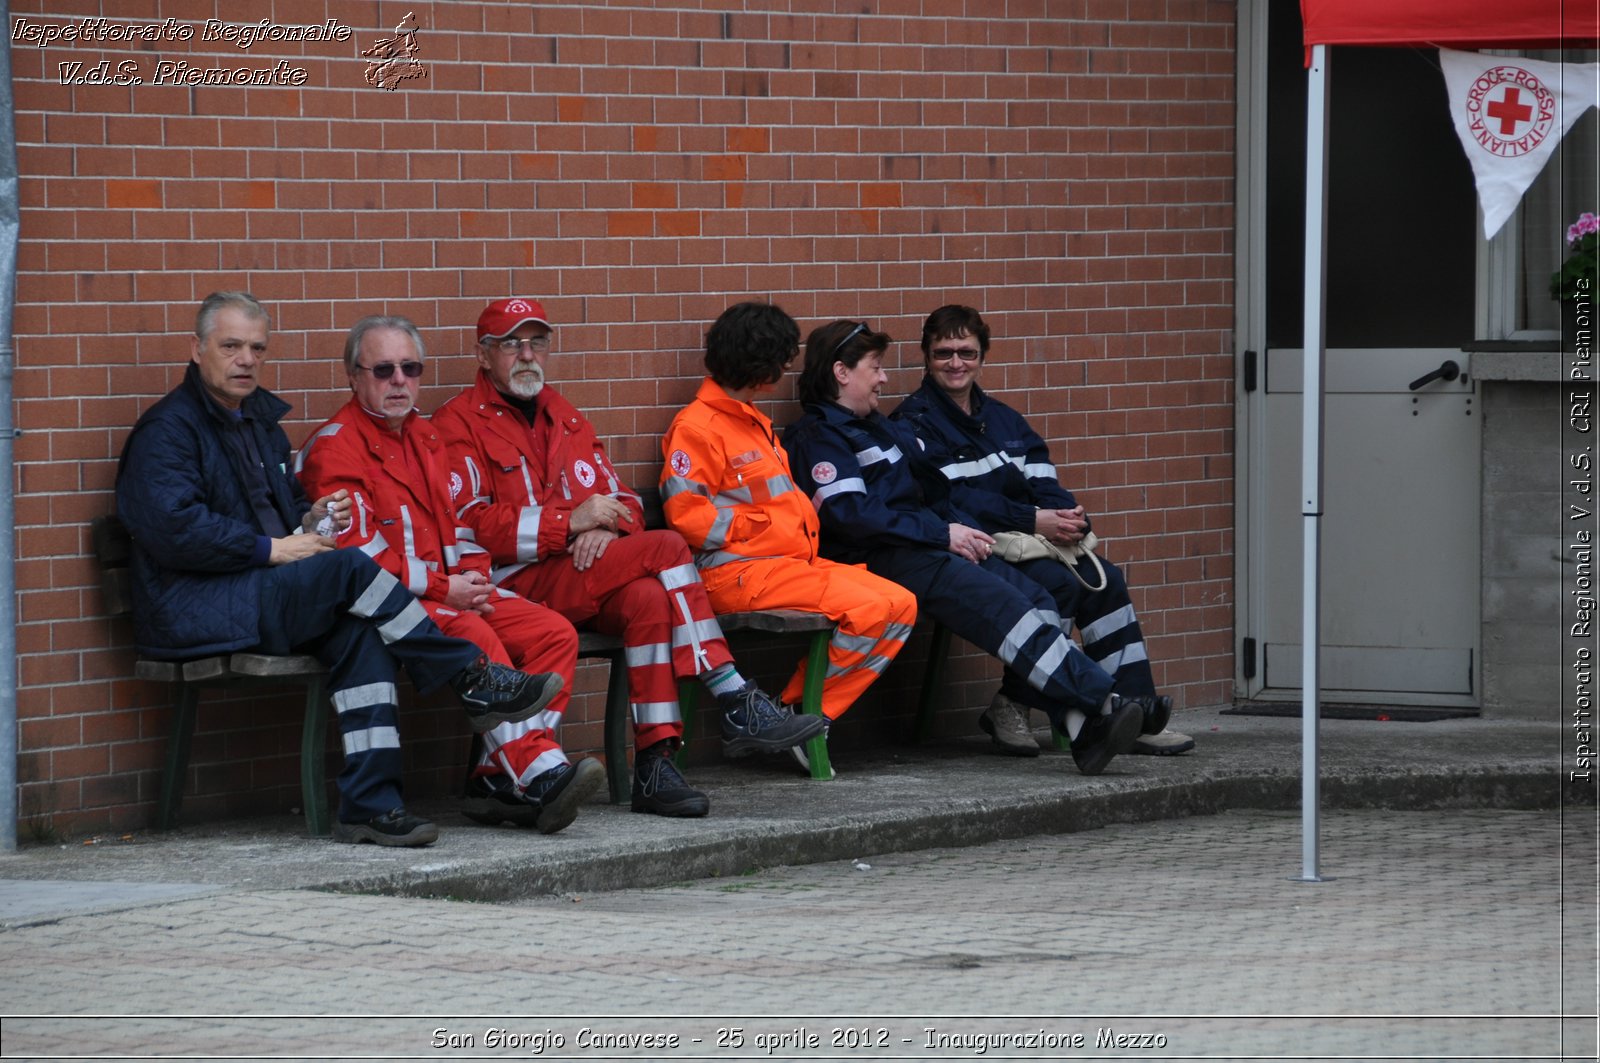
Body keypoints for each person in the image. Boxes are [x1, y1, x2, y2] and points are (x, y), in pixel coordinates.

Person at [115, 292, 565, 848]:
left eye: (256, 347)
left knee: (360, 633)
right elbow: (171, 528)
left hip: (260, 593)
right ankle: (469, 676)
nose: (246, 359)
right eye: (230, 346)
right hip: (193, 607)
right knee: (351, 569)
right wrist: (271, 549)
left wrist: (310, 521)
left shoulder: (261, 427)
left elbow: (285, 522)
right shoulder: (169, 430)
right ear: (197, 349)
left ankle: (371, 806)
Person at [431, 298, 823, 817]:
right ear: (484, 355)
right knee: (666, 546)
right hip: (511, 582)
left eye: (537, 342)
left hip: (579, 575)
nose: (527, 355)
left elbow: (626, 501)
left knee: (647, 599)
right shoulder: (457, 422)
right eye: (510, 343)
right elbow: (468, 521)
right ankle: (732, 694)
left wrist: (609, 526)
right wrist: (568, 524)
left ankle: (655, 765)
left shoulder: (564, 415)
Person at [783, 320, 1145, 775]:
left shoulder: (876, 426)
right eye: (875, 368)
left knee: (1037, 598)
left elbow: (934, 492)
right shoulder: (820, 436)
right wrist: (942, 535)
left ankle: (1083, 728)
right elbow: (852, 517)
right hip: (880, 559)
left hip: (926, 545)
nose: (883, 378)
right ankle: (1102, 700)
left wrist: (962, 531)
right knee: (1004, 608)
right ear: (841, 372)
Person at [296, 315, 602, 835]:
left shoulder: (427, 436)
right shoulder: (334, 448)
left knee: (553, 632)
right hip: (385, 607)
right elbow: (359, 559)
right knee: (476, 634)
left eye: (410, 369)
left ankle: (502, 776)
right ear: (353, 376)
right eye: (384, 369)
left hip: (450, 592)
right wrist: (448, 590)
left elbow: (461, 523)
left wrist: (475, 583)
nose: (399, 381)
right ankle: (539, 772)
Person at [892, 305, 1194, 757]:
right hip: (973, 548)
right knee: (1056, 586)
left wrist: (1068, 520)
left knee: (1105, 580)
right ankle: (1019, 705)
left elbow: (1044, 483)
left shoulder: (1006, 421)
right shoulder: (910, 425)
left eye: (967, 352)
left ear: (983, 356)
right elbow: (948, 503)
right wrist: (1030, 520)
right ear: (926, 357)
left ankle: (1138, 712)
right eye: (944, 353)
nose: (956, 363)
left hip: (1028, 542)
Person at [660, 302, 918, 775]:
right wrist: (759, 528)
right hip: (735, 573)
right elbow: (687, 515)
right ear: (756, 362)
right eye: (778, 360)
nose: (783, 371)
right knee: (867, 609)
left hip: (784, 566)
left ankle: (792, 717)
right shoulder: (697, 426)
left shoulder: (749, 419)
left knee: (900, 604)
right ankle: (791, 721)